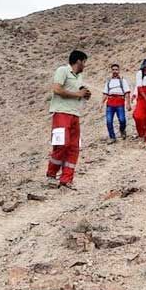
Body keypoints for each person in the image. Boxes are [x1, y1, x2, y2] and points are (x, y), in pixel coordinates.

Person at [47, 49, 91, 188]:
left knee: (73, 147)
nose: (85, 65)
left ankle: (66, 179)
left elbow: (77, 94)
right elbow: (57, 89)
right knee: (61, 144)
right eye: (84, 62)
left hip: (75, 114)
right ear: (78, 61)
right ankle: (51, 175)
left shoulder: (79, 77)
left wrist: (84, 95)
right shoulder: (63, 70)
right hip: (61, 113)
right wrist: (78, 94)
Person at [102, 63, 131, 143]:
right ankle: (112, 137)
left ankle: (122, 130)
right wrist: (101, 103)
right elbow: (105, 93)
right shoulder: (108, 81)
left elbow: (127, 93)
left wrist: (128, 104)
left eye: (116, 69)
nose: (115, 71)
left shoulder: (122, 81)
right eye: (113, 69)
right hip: (110, 103)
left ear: (119, 70)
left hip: (120, 102)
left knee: (122, 119)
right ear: (111, 70)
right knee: (109, 120)